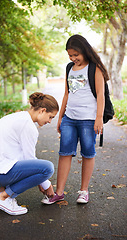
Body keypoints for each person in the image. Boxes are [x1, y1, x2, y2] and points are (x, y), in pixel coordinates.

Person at [41, 34, 109, 205]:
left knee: (87, 153)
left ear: (84, 51)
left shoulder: (95, 68)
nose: (73, 58)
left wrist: (99, 118)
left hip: (88, 119)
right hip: (69, 118)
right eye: (70, 55)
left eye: (75, 55)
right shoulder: (69, 68)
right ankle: (59, 192)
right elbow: (66, 94)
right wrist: (60, 117)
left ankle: (84, 191)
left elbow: (100, 95)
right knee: (64, 153)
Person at [0, 92, 59, 215]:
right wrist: (47, 184)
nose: (50, 121)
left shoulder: (18, 117)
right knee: (47, 169)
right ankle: (4, 197)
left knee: (27, 164)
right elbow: (30, 160)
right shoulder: (28, 126)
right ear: (42, 110)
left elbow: (17, 155)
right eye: (50, 117)